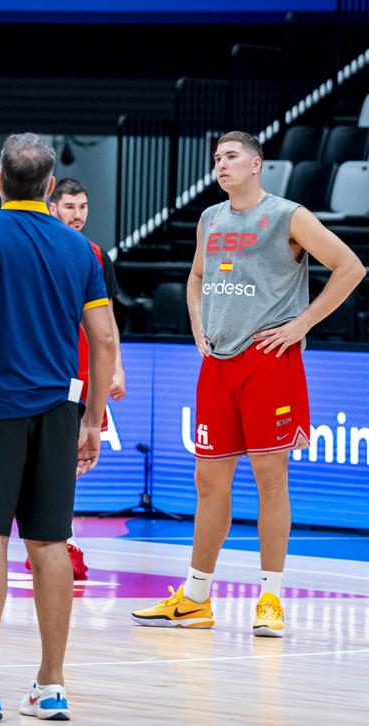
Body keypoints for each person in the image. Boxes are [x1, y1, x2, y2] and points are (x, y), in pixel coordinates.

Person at [131, 131, 364, 637]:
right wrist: (196, 321)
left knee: (269, 479)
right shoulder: (210, 219)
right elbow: (196, 277)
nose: (222, 164)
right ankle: (195, 598)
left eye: (231, 156)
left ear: (257, 164)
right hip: (218, 362)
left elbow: (351, 267)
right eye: (217, 158)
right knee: (209, 484)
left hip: (268, 361)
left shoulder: (287, 214)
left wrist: (302, 324)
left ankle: (271, 597)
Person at [0, 133, 115, 721]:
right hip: (59, 411)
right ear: (51, 189)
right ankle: (51, 685)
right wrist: (92, 417)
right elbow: (104, 339)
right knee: (51, 543)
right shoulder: (80, 248)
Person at [36, 177, 129, 581]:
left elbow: (106, 321)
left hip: (83, 372)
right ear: (52, 206)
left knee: (71, 460)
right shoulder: (37, 247)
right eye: (70, 206)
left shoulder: (95, 255)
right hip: (43, 370)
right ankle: (54, 539)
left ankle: (61, 539)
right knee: (49, 460)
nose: (77, 214)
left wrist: (118, 367)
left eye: (83, 206)